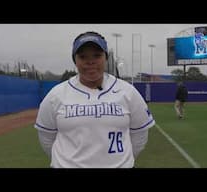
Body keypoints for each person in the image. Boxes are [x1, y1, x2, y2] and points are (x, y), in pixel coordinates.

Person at [34, 31, 155, 168]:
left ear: (105, 58)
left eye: (97, 55)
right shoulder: (56, 95)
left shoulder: (127, 92)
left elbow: (139, 135)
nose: (90, 62)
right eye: (83, 56)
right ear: (75, 60)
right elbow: (46, 138)